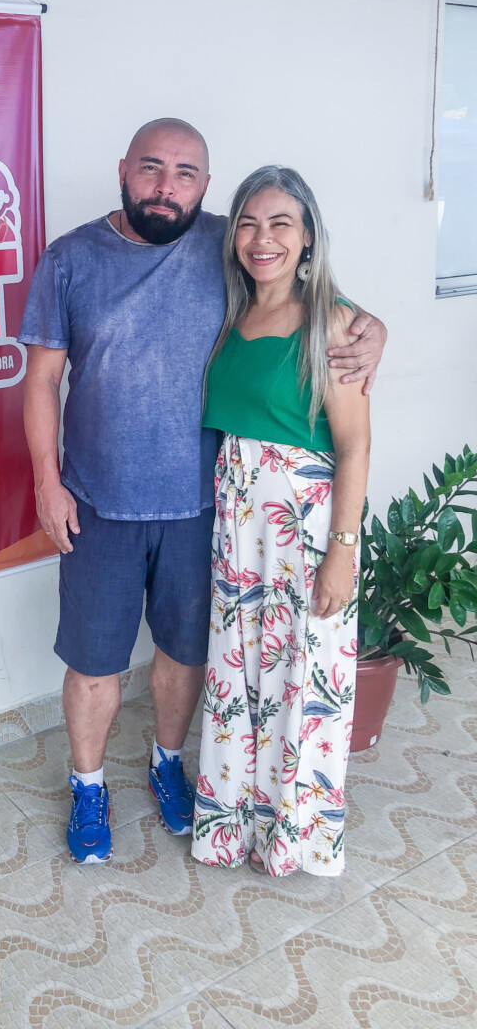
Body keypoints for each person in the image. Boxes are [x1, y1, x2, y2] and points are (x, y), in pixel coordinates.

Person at [17, 121, 384, 865]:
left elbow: (311, 295)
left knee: (185, 657)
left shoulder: (228, 244)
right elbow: (43, 380)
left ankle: (167, 763)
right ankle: (88, 786)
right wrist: (47, 483)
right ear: (123, 169)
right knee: (94, 664)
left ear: (205, 187)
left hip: (206, 511)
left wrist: (374, 328)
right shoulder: (70, 259)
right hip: (98, 507)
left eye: (185, 173)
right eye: (151, 168)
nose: (166, 186)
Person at [191, 166, 370, 877]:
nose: (261, 238)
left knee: (302, 677)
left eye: (280, 223)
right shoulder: (229, 315)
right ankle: (234, 824)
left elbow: (354, 444)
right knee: (240, 678)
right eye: (248, 223)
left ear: (308, 238)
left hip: (304, 527)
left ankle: (293, 837)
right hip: (239, 525)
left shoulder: (335, 323)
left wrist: (342, 553)